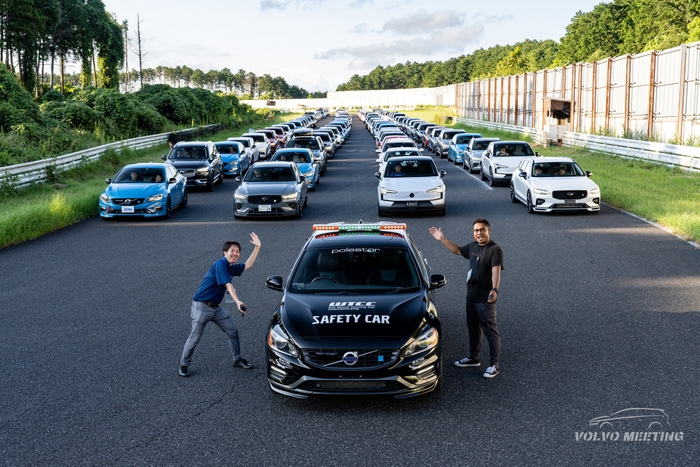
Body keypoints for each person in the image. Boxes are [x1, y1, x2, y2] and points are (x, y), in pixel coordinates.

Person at [179, 233, 262, 377]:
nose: (235, 254)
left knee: (232, 331)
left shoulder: (230, 267)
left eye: (237, 251)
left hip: (216, 308)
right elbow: (228, 285)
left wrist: (257, 247)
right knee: (195, 338)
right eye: (232, 251)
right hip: (201, 307)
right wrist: (237, 301)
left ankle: (237, 359)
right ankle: (184, 365)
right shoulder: (220, 265)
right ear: (225, 252)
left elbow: (248, 265)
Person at [429, 219, 504, 379]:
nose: (479, 233)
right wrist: (442, 239)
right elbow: (457, 250)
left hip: (485, 298)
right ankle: (473, 358)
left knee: (490, 330)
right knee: (473, 328)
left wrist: (494, 289)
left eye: (482, 230)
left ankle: (494, 365)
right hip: (471, 296)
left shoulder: (494, 250)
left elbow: (496, 270)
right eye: (476, 230)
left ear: (488, 231)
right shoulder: (473, 246)